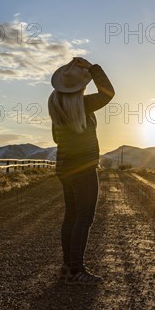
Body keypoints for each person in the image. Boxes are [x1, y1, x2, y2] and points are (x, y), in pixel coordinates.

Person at [48, 57, 115, 285]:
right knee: (84, 218)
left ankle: (68, 267)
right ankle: (76, 270)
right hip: (83, 169)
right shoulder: (83, 104)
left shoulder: (55, 103)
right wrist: (94, 68)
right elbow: (108, 93)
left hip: (64, 167)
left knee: (72, 215)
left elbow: (56, 138)